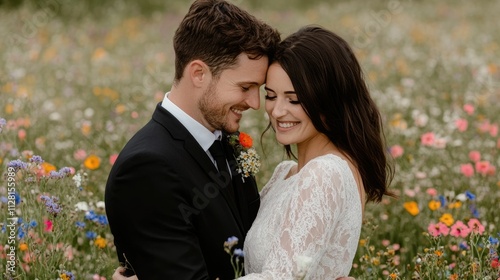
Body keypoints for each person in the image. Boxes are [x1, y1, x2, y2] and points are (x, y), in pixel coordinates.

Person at [112, 25, 394, 279]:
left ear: (328, 101)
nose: (272, 109)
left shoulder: (324, 173)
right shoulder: (288, 172)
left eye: (294, 99)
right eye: (271, 94)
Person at [104, 0, 280, 279]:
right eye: (245, 87)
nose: (255, 103)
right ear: (198, 73)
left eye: (258, 89)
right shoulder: (146, 169)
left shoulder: (226, 141)